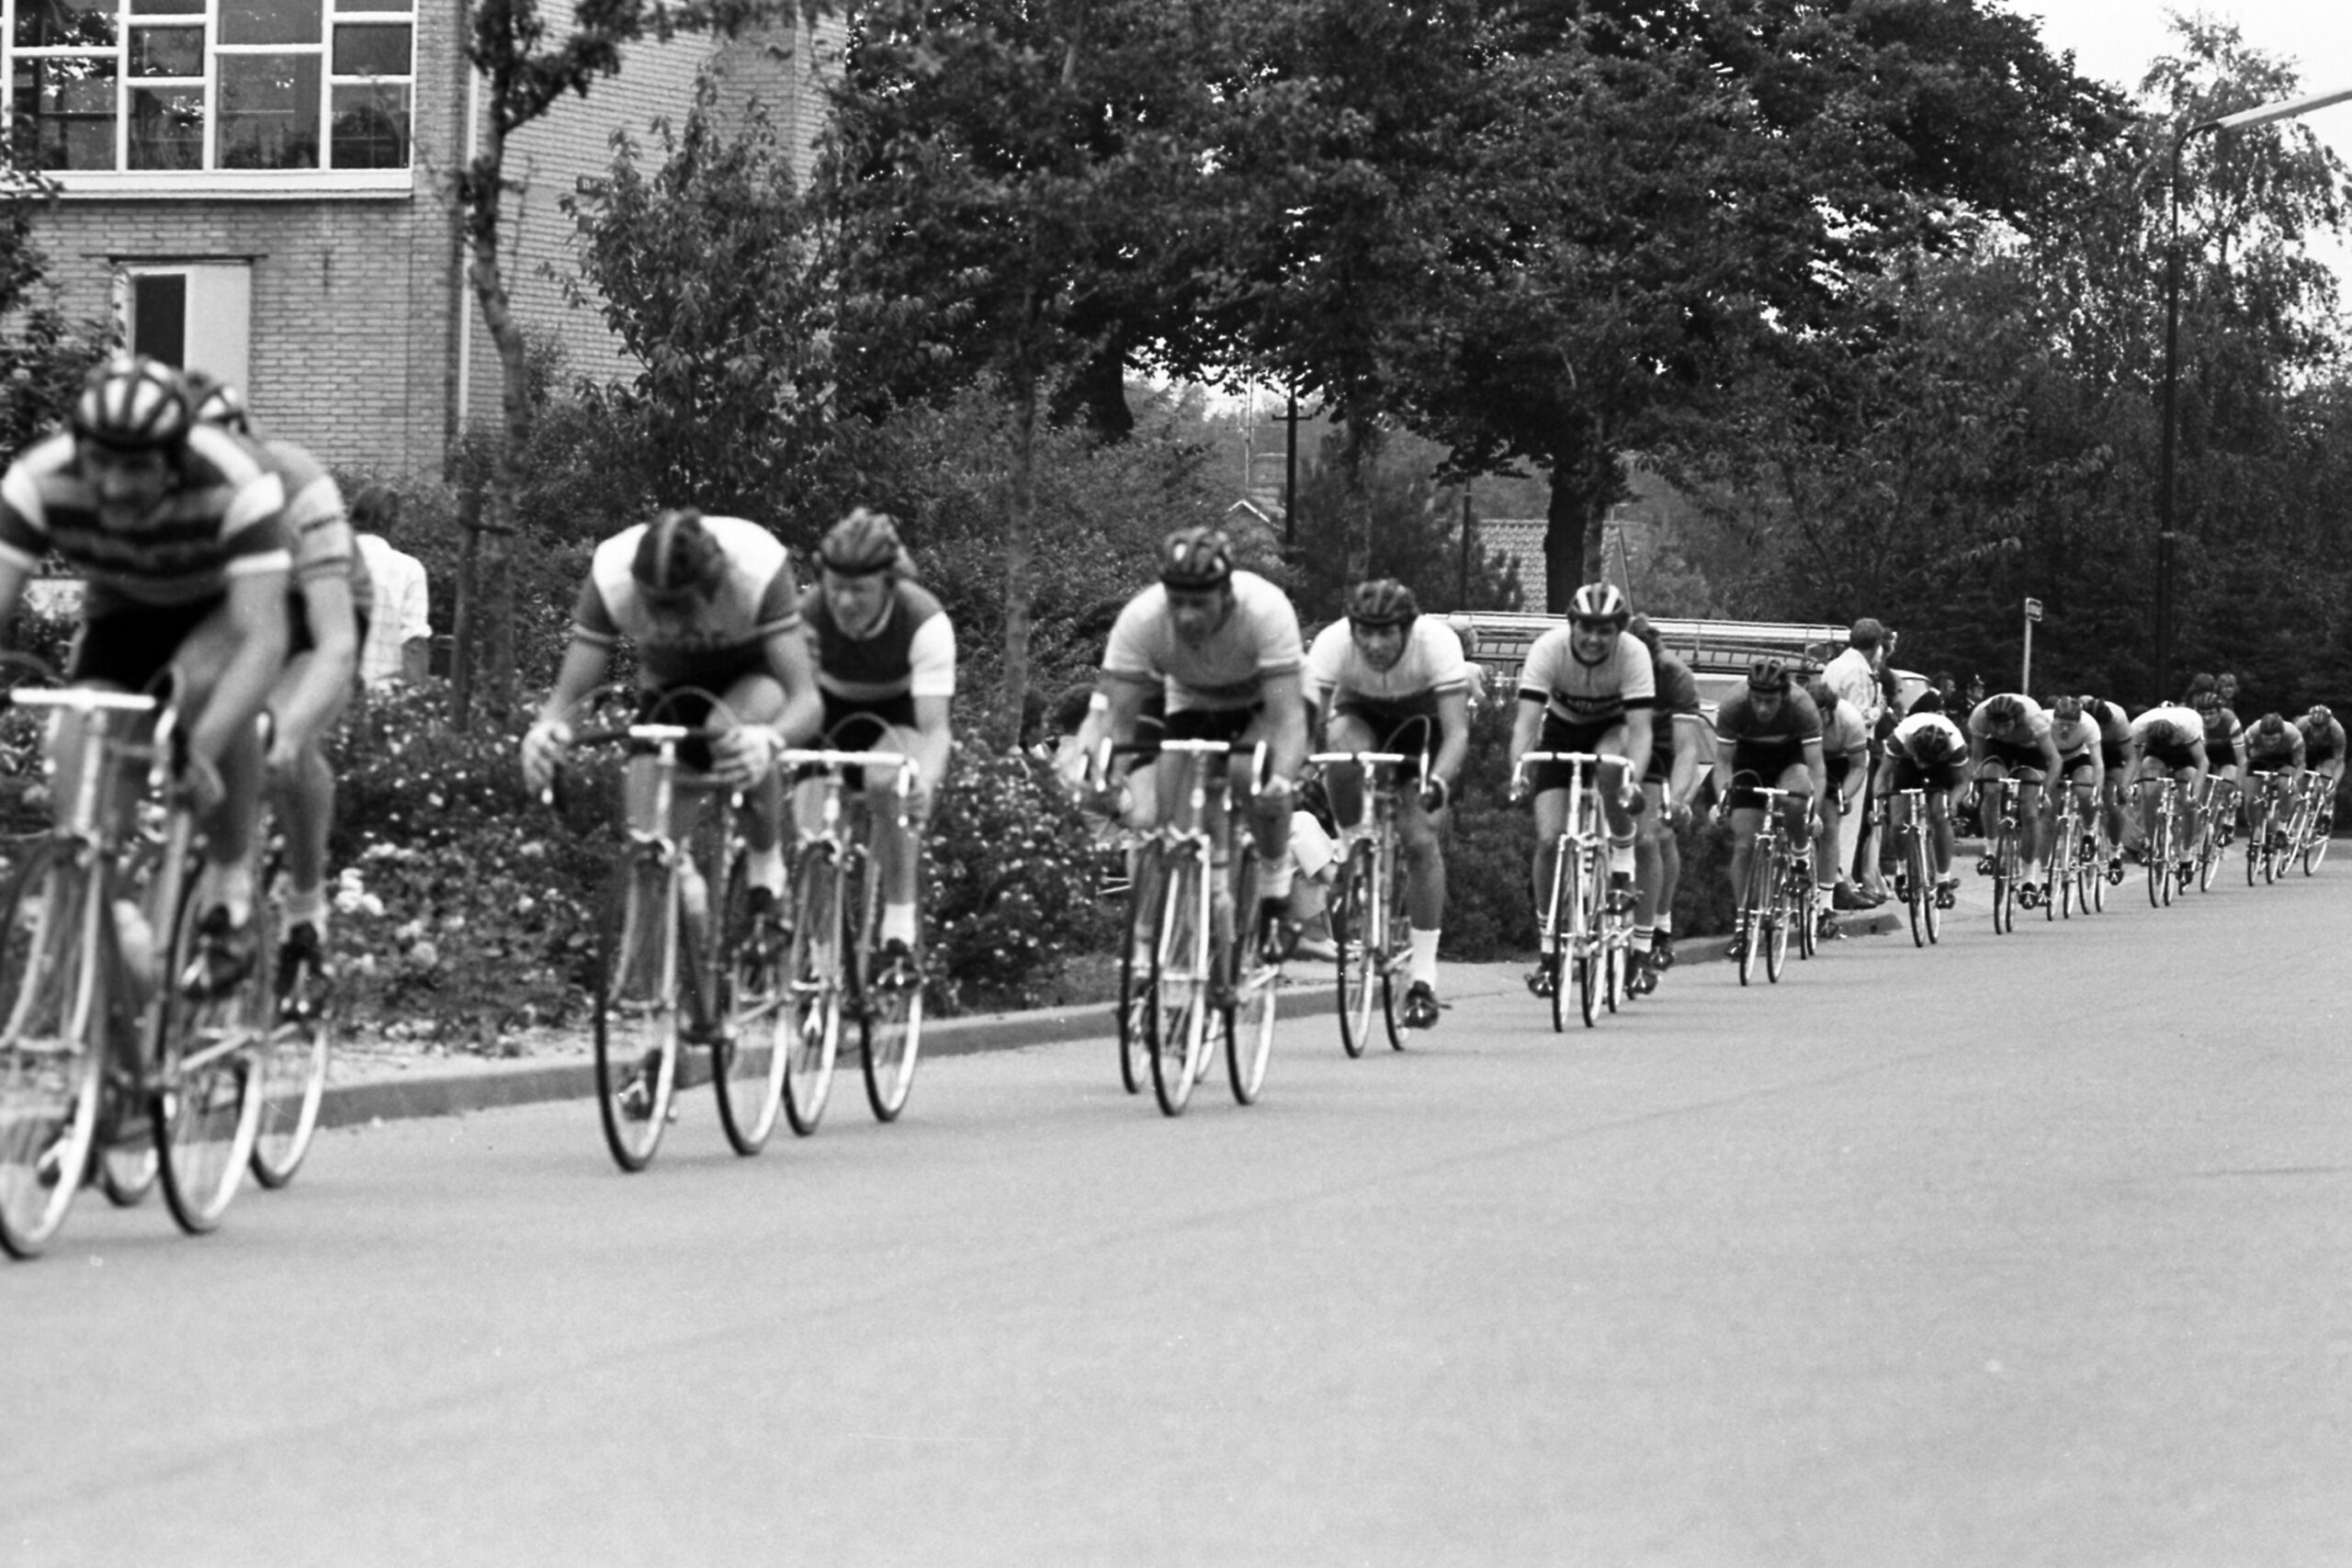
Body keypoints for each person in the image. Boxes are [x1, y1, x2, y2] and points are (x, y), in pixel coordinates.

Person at [0, 354, 292, 1017]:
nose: (112, 484)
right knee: (85, 806)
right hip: (124, 611)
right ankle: (122, 991)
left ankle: (227, 880)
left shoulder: (234, 479)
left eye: (136, 467)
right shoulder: (37, 481)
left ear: (175, 459)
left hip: (220, 606)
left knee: (193, 697)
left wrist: (200, 746)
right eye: (100, 461)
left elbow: (263, 639)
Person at [522, 507, 824, 954]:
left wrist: (772, 739)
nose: (664, 623)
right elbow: (568, 700)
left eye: (679, 609)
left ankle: (766, 870)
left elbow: (806, 699)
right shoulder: (611, 575)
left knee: (729, 732)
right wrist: (546, 733)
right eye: (654, 609)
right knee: (647, 847)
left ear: (711, 586)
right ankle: (660, 994)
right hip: (670, 685)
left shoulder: (756, 568)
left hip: (756, 673)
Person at [184, 372, 368, 1000]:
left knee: (278, 741)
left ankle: (306, 907)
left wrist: (286, 735)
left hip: (315, 609)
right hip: (239, 603)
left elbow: (336, 643)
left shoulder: (298, 482)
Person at [1098, 525, 1308, 963]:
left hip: (1259, 706)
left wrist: (1283, 779)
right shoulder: (1142, 618)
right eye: (1179, 603)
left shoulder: (1265, 610)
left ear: (1226, 595)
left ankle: (1274, 889)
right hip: (1191, 701)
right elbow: (1113, 718)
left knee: (1248, 774)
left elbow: (1289, 721)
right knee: (1164, 820)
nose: (1188, 615)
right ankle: (1181, 931)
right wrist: (1103, 774)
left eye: (1200, 603)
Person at [786, 509, 956, 987]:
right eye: (834, 586)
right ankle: (821, 960)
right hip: (829, 712)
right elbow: (796, 700)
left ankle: (898, 927)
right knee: (813, 831)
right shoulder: (807, 616)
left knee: (889, 784)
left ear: (890, 582)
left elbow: (934, 729)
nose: (843, 600)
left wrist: (923, 779)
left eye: (859, 589)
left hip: (899, 713)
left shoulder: (923, 620)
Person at [1305, 579, 1470, 1029]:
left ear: (1409, 628)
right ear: (1352, 628)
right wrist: (1295, 763)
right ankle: (1351, 841)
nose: (1375, 644)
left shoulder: (1437, 644)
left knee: (1419, 841)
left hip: (1424, 726)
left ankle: (1422, 979)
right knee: (1340, 752)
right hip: (1362, 715)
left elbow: (1456, 732)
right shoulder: (1333, 643)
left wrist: (1437, 780)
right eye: (1366, 633)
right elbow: (1309, 722)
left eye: (1387, 633)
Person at [1508, 583, 1653, 997]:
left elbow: (1641, 733)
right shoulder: (1548, 649)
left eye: (1604, 630)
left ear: (1619, 632)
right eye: (1585, 628)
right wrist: (1518, 770)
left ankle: (1621, 859)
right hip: (1562, 729)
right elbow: (1525, 724)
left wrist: (1632, 784)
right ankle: (1550, 952)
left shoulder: (1633, 654)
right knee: (1549, 841)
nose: (1593, 638)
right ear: (1571, 626)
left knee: (1612, 764)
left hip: (1613, 728)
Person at [1710, 658, 1823, 962]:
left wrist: (1815, 810)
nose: (1762, 708)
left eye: (1770, 701)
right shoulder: (1734, 704)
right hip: (1748, 759)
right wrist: (1724, 799)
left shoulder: (1802, 705)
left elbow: (1817, 769)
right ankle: (1743, 928)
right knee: (1744, 843)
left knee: (1797, 801)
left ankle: (1799, 855)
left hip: (1789, 758)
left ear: (1784, 695)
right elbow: (1721, 764)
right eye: (1757, 700)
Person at [1625, 614, 1707, 988]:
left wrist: (1675, 800)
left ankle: (1659, 924)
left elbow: (1687, 748)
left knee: (1657, 834)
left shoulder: (1675, 676)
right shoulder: (1612, 664)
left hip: (1660, 748)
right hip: (1619, 741)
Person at [1965, 693, 2064, 903]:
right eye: (1997, 725)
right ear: (1989, 721)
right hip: (1998, 748)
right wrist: (1972, 786)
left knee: (2029, 812)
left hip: (2032, 750)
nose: (2001, 730)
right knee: (1990, 788)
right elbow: (1975, 759)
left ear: (2016, 719)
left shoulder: (2034, 721)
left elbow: (2055, 760)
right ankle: (1991, 851)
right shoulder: (1979, 718)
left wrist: (2044, 791)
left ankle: (2029, 878)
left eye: (2006, 725)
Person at [1877, 691, 1968, 903]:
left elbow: (1963, 781)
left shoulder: (1956, 745)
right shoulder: (1900, 738)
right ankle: (1901, 870)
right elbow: (1883, 775)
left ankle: (1943, 881)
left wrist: (1953, 802)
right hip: (1906, 763)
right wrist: (1880, 803)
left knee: (1940, 815)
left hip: (1941, 767)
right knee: (1897, 821)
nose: (1922, 767)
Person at [1821, 617, 1888, 900]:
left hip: (1825, 744)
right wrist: (1879, 712)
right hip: (1852, 750)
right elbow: (1860, 718)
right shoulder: (1860, 671)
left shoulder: (1833, 665)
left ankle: (1832, 879)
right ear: (1876, 646)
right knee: (1848, 817)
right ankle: (1841, 882)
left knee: (1830, 817)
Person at [351, 486, 431, 687]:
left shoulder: (328, 562)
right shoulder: (409, 569)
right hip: (381, 701)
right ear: (393, 521)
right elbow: (413, 642)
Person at [1806, 673, 1871, 917]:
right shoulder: (1796, 716)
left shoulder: (1850, 720)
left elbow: (1858, 767)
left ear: (1831, 711)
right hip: (1804, 758)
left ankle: (1826, 901)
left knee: (1830, 823)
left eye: (1822, 716)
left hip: (1837, 762)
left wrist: (1844, 795)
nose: (1817, 722)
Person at [2121, 700, 2209, 879]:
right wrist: (2131, 785)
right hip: (2154, 753)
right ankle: (2152, 839)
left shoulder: (2187, 727)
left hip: (2185, 753)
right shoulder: (2138, 727)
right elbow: (2134, 760)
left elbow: (2203, 763)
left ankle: (2186, 853)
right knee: (2149, 787)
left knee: (2189, 800)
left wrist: (2196, 795)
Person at [2044, 693, 2105, 869]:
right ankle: (2043, 864)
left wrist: (2097, 793)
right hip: (2052, 757)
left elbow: (2098, 763)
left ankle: (2088, 832)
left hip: (2079, 757)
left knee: (2084, 792)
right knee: (2048, 810)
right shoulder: (2043, 720)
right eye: (2061, 724)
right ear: (2053, 718)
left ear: (2078, 721)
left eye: (2070, 725)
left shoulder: (2089, 725)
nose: (2065, 729)